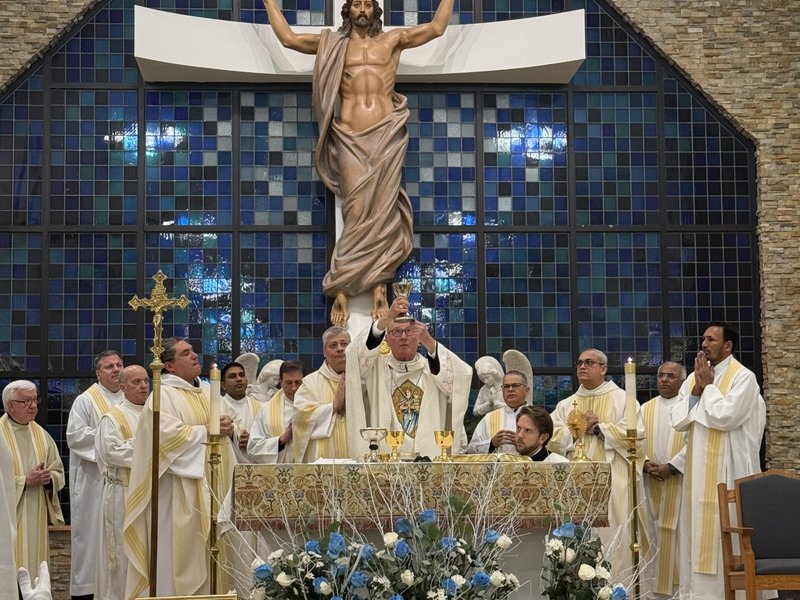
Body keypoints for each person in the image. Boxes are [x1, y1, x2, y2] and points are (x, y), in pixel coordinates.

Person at [261, 0, 455, 326]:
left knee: (382, 211)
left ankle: (379, 284)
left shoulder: (392, 41)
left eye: (367, 4)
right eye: (356, 5)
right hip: (349, 135)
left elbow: (436, 27)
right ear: (347, 11)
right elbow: (290, 40)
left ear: (375, 10)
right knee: (355, 210)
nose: (362, 9)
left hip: (386, 136)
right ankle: (341, 286)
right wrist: (268, 2)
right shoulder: (333, 44)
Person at [123, 338, 234, 599]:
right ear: (170, 366)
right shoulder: (161, 397)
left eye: (193, 350)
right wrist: (205, 430)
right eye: (186, 353)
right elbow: (161, 439)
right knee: (182, 560)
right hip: (180, 495)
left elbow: (226, 427)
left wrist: (231, 428)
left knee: (218, 557)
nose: (195, 355)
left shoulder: (208, 392)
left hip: (216, 488)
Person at [670, 322, 766, 600]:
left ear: (728, 346)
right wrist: (698, 390)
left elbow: (726, 417)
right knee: (697, 533)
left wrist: (707, 388)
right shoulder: (694, 379)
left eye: (711, 339)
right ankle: (698, 594)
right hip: (698, 472)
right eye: (703, 339)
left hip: (730, 467)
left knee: (728, 529)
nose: (704, 344)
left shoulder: (743, 377)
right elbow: (677, 419)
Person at [549, 348, 650, 580]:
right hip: (575, 484)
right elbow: (550, 438)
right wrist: (577, 428)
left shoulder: (623, 399)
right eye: (579, 362)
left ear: (603, 368)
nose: (582, 366)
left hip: (614, 483)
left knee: (614, 540)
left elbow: (637, 437)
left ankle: (616, 588)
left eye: (589, 362)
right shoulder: (567, 404)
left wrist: (598, 429)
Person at [345, 296, 472, 459]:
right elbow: (354, 355)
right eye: (396, 332)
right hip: (386, 462)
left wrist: (429, 341)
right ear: (387, 339)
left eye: (410, 331)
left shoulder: (433, 368)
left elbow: (461, 377)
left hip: (429, 459)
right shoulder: (376, 370)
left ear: (419, 338)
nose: (403, 337)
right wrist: (385, 320)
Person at [66, 350, 124, 600]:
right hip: (94, 484)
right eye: (109, 366)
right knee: (92, 541)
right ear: (98, 373)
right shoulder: (86, 400)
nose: (116, 370)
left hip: (124, 483)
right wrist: (111, 440)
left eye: (120, 365)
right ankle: (89, 592)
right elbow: (75, 437)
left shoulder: (130, 397)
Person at [93, 365, 149, 600]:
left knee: (147, 555)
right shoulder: (113, 417)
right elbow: (112, 452)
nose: (144, 386)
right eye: (136, 382)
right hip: (122, 494)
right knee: (124, 556)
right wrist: (147, 444)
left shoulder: (157, 413)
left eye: (146, 380)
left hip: (150, 494)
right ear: (123, 387)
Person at [0, 380, 65, 575]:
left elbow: (58, 472)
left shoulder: (42, 435)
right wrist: (24, 481)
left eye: (35, 400)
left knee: (36, 573)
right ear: (10, 405)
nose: (34, 406)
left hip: (35, 516)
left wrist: (48, 479)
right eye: (26, 401)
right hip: (6, 518)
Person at [641, 361, 686, 598]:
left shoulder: (690, 408)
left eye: (671, 376)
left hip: (681, 483)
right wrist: (646, 463)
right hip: (651, 484)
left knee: (680, 538)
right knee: (653, 534)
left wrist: (672, 466)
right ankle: (654, 592)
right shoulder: (644, 408)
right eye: (661, 375)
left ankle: (681, 593)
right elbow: (636, 442)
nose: (664, 380)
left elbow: (696, 443)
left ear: (682, 381)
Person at [292, 327, 355, 462]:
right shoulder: (310, 383)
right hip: (322, 463)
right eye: (333, 345)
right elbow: (300, 418)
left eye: (344, 344)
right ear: (324, 352)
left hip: (358, 458)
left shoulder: (363, 380)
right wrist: (333, 406)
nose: (340, 349)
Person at [248, 360, 305, 463]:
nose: (293, 388)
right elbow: (253, 449)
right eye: (288, 383)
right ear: (280, 382)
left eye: (297, 382)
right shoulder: (266, 411)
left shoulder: (314, 405)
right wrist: (281, 440)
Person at [467, 371, 529, 454]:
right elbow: (471, 449)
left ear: (527, 391)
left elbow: (548, 447)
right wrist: (491, 444)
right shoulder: (490, 418)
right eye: (506, 386)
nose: (510, 389)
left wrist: (523, 444)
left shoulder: (537, 417)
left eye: (515, 385)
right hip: (497, 466)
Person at [220, 361, 262, 463]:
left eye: (242, 375)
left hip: (255, 464)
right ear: (223, 385)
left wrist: (252, 440)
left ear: (246, 381)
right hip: (227, 463)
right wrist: (235, 437)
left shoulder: (261, 407)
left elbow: (269, 435)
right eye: (232, 376)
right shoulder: (218, 407)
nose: (239, 379)